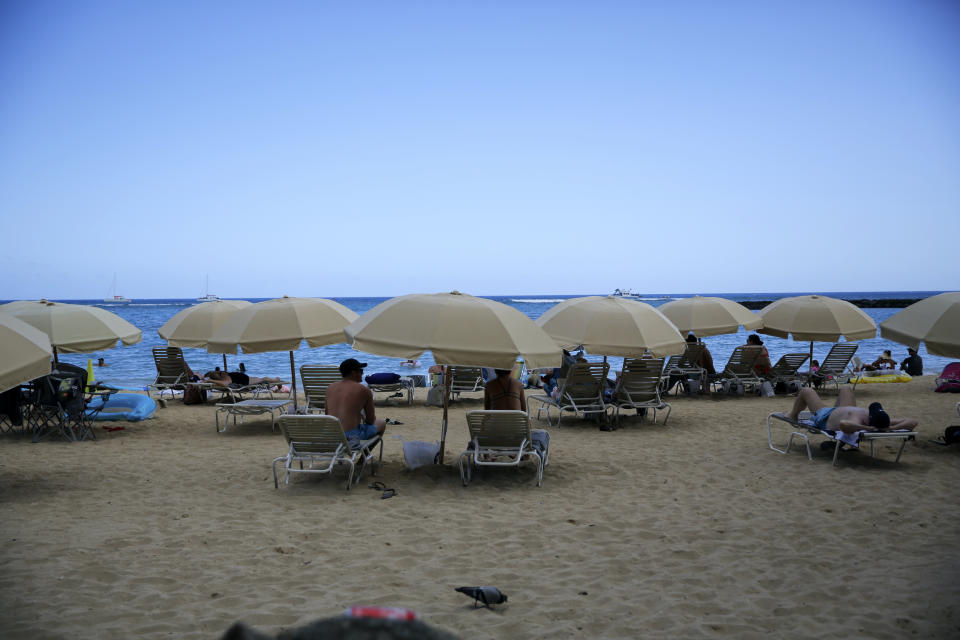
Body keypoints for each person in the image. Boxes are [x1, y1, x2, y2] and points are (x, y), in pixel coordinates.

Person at [782, 386, 917, 434]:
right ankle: (792, 414)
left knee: (806, 391)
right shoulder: (884, 421)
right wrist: (892, 428)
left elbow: (844, 425)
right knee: (846, 388)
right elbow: (912, 421)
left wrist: (869, 429)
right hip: (841, 410)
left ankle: (792, 416)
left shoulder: (856, 421)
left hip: (825, 416)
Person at [325, 358, 386, 440]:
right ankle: (365, 452)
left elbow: (327, 414)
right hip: (349, 437)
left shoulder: (330, 388)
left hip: (330, 434)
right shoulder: (364, 390)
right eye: (361, 371)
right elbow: (371, 421)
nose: (362, 373)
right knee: (381, 423)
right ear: (353, 373)